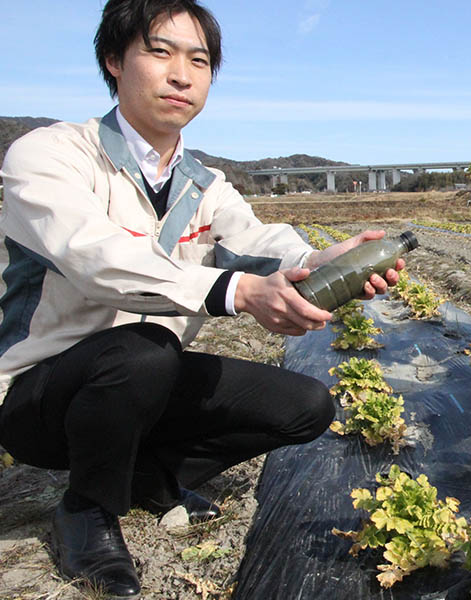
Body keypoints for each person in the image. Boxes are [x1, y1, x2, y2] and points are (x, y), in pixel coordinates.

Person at [0, 1, 401, 597]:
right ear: (114, 60)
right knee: (145, 350)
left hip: (148, 377)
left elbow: (256, 241)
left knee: (307, 406)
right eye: (160, 52)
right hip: (44, 395)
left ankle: (147, 476)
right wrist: (235, 291)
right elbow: (96, 259)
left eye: (200, 60)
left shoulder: (202, 182)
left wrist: (318, 260)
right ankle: (85, 508)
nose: (182, 75)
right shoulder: (51, 155)